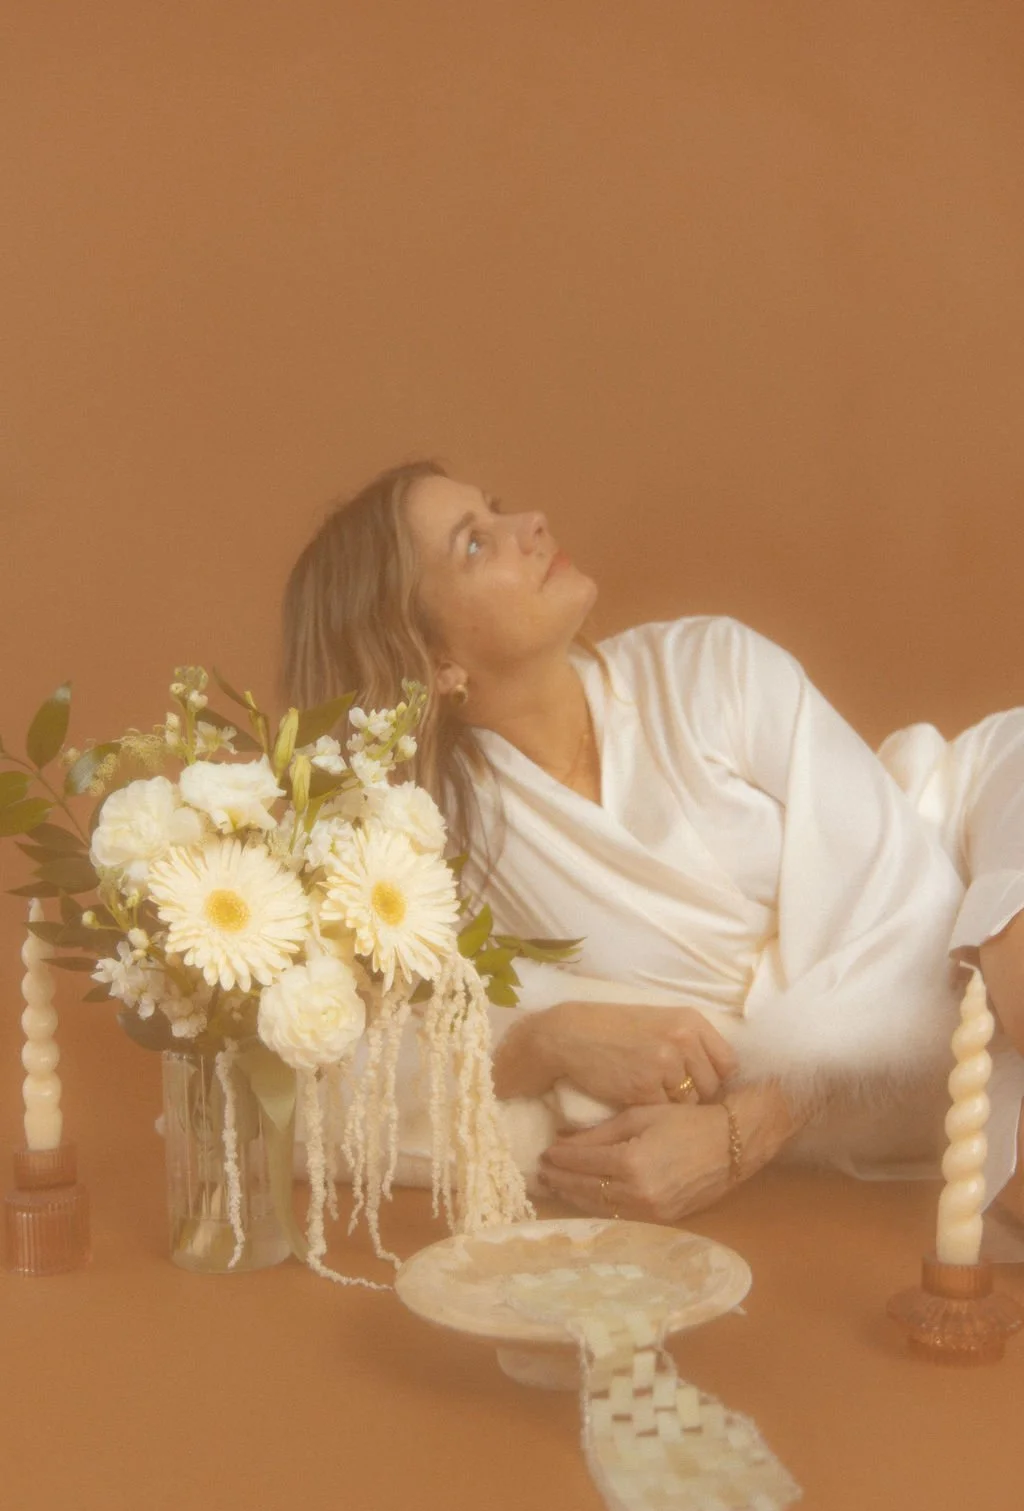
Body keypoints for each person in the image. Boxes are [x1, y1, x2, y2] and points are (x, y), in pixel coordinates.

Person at [281, 460, 1024, 1244]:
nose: (530, 522)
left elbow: (914, 911)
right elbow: (346, 1060)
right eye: (474, 545)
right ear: (434, 665)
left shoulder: (709, 668)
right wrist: (544, 1038)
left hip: (969, 832)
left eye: (496, 511)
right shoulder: (432, 854)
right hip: (907, 1058)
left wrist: (743, 1133)